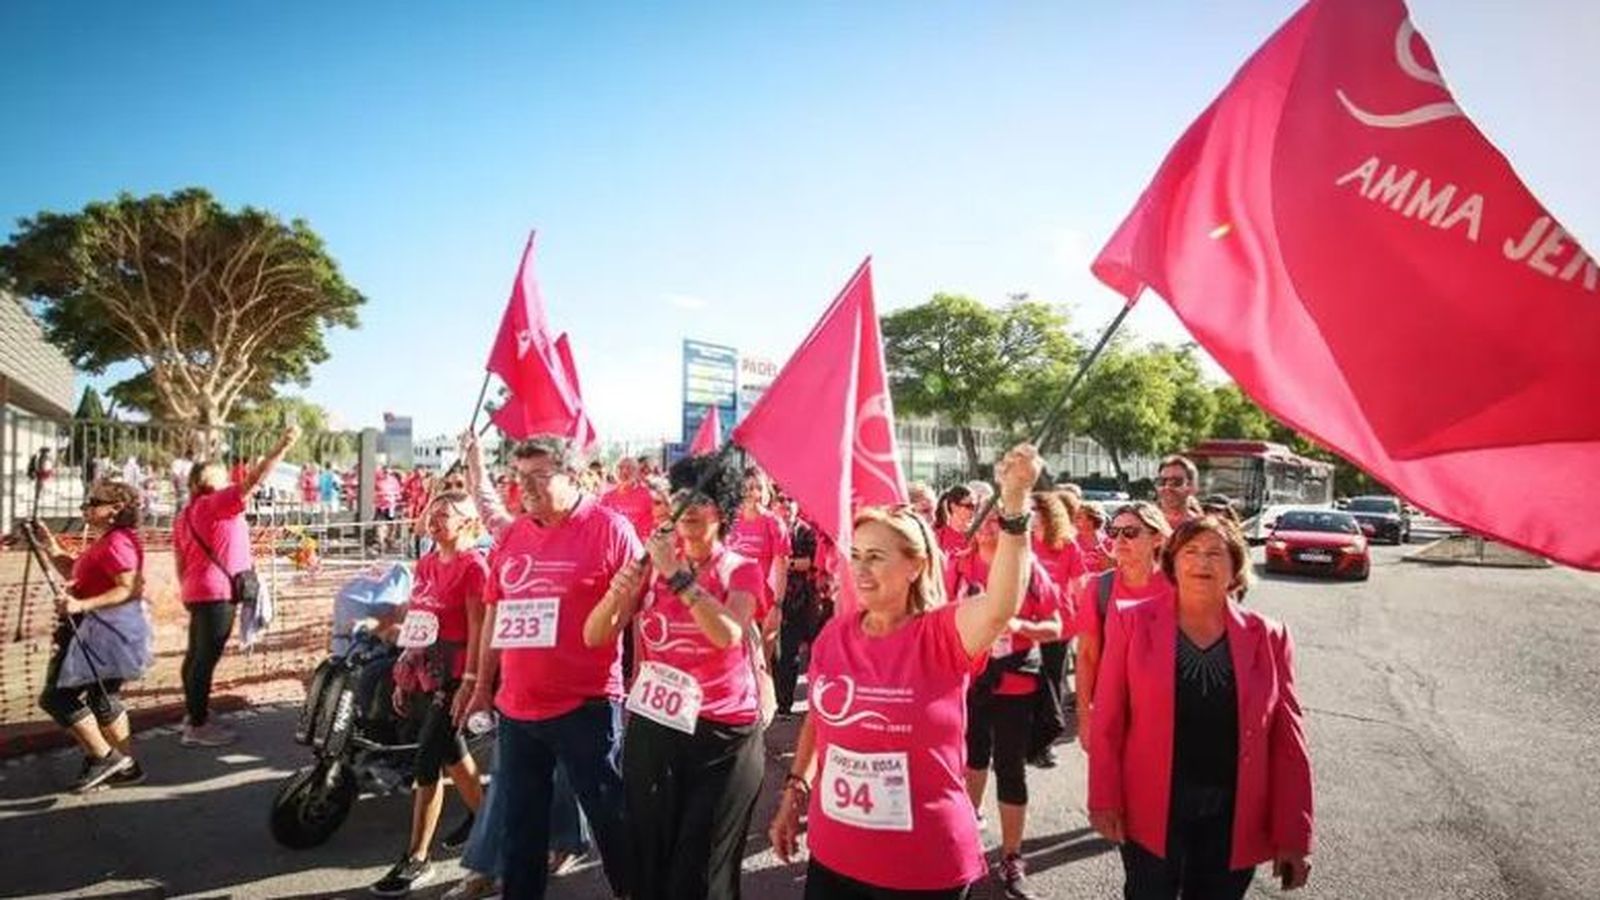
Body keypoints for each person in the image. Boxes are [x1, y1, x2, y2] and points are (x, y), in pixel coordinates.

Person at [769, 444, 1041, 900]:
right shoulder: (834, 636)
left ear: (915, 565)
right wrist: (795, 788)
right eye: (855, 555)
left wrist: (1013, 504)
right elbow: (819, 717)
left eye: (876, 556)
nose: (860, 569)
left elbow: (1001, 605)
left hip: (924, 865)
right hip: (835, 854)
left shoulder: (941, 632)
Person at [1089, 516, 1314, 898]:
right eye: (1190, 552)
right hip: (1150, 806)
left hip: (1235, 812)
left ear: (1236, 567)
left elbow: (1288, 739)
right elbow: (1108, 720)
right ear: (1173, 562)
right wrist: (1103, 798)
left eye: (1215, 553)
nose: (1202, 563)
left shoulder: (1269, 635)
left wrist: (1295, 832)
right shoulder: (1131, 622)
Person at [456, 433, 637, 900]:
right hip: (517, 711)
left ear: (573, 475)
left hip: (588, 708)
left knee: (612, 824)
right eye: (520, 477)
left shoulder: (611, 530)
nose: (527, 487)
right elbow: (496, 608)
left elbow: (642, 614)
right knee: (521, 833)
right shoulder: (515, 533)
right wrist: (478, 685)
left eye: (539, 476)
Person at [584, 454, 768, 900]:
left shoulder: (739, 568)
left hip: (723, 736)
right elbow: (593, 635)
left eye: (701, 500)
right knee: (652, 860)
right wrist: (618, 592)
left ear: (721, 511)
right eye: (680, 498)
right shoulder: (650, 567)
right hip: (656, 728)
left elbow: (726, 633)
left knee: (700, 870)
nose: (687, 510)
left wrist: (677, 575)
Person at [369, 491, 489, 896]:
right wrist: (404, 669)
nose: (434, 521)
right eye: (431, 514)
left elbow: (479, 631)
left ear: (468, 522)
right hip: (424, 674)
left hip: (454, 677)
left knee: (427, 762)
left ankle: (418, 858)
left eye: (445, 515)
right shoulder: (424, 563)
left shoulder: (475, 568)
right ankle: (488, 818)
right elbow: (419, 620)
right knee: (452, 754)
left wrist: (472, 683)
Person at [951, 509, 1064, 899]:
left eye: (997, 519)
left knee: (1010, 768)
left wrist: (1019, 627)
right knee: (970, 759)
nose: (987, 526)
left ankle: (1012, 857)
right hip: (968, 680)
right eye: (982, 518)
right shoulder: (959, 565)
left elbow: (1055, 625)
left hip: (1014, 683)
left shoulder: (1027, 567)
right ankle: (963, 844)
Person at [174, 425, 300, 747]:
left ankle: (194, 713)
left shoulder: (185, 514)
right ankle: (198, 726)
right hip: (217, 592)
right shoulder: (218, 503)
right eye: (222, 475)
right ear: (208, 483)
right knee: (205, 659)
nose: (230, 479)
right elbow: (255, 479)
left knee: (195, 656)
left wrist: (188, 589)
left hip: (196, 589)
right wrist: (281, 446)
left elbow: (179, 560)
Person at [33, 480, 149, 792]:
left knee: (57, 697)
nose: (86, 507)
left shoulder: (117, 543)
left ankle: (104, 757)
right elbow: (75, 572)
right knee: (103, 697)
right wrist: (51, 546)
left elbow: (131, 588)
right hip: (104, 630)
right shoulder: (108, 540)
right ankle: (127, 767)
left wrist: (80, 604)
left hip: (101, 631)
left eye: (94, 502)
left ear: (115, 510)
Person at [1074, 502, 1171, 746]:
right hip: (1114, 708)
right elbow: (1086, 656)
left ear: (1157, 538)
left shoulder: (1178, 588)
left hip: (1169, 712)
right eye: (1113, 532)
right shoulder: (1099, 587)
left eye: (1130, 532)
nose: (1120, 539)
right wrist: (1085, 719)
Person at [1027, 490, 1085, 770]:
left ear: (1048, 514)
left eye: (1034, 511)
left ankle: (1046, 743)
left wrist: (1086, 628)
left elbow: (1078, 589)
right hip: (1024, 625)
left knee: (1052, 682)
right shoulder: (1019, 543)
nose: (1029, 516)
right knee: (1028, 684)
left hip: (1058, 626)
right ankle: (1028, 740)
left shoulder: (1067, 545)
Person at [726, 468, 790, 631]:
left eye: (757, 487)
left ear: (764, 491)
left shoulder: (774, 523)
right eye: (746, 488)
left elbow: (781, 566)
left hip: (763, 605)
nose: (751, 493)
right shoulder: (730, 521)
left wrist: (777, 606)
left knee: (761, 656)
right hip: (732, 602)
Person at [600, 456, 656, 543]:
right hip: (613, 545)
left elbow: (652, 524)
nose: (625, 471)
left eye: (630, 468)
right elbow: (601, 524)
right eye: (620, 467)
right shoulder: (607, 497)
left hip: (638, 546)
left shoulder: (648, 496)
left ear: (637, 472)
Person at [1155, 455, 1201, 532]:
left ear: (1191, 486)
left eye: (1176, 482)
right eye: (1162, 481)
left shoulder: (1199, 526)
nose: (1168, 487)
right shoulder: (1144, 523)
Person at [934, 484, 977, 559]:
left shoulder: (978, 535)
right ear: (954, 507)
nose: (973, 510)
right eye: (969, 506)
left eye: (975, 506)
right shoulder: (938, 536)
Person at [1072, 501, 1113, 573]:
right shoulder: (1071, 543)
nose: (1074, 521)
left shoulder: (1108, 543)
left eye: (1079, 517)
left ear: (1091, 521)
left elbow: (1112, 569)